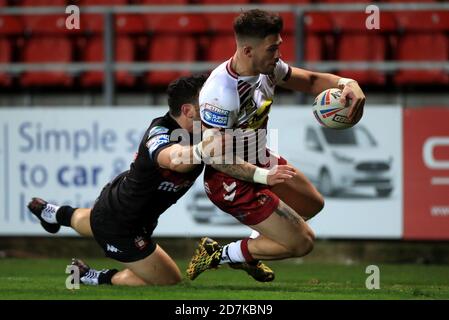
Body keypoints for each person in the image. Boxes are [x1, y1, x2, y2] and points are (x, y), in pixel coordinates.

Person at [27, 74, 292, 286]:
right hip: (123, 227)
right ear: (188, 110)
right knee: (168, 279)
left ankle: (53, 213)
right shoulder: (161, 132)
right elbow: (175, 158)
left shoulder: (205, 129)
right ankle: (91, 277)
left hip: (119, 200)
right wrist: (203, 150)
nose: (215, 109)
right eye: (207, 105)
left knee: (93, 219)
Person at [186, 9, 366, 280]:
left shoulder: (267, 69)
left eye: (279, 46)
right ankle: (219, 254)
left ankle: (249, 254)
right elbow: (216, 157)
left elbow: (311, 81)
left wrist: (347, 83)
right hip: (229, 179)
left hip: (259, 157)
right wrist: (264, 176)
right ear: (248, 50)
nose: (278, 55)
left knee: (311, 204)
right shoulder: (220, 94)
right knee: (302, 243)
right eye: (272, 49)